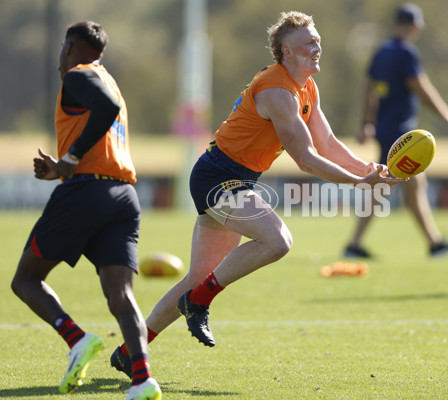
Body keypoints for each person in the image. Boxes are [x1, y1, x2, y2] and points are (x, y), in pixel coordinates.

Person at [109, 11, 403, 376]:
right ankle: (198, 303)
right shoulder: (277, 91)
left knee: (197, 277)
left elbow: (326, 143)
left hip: (235, 178)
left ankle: (128, 352)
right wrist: (359, 183)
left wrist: (369, 169)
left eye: (317, 41)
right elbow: (307, 159)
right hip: (217, 176)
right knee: (278, 240)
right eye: (308, 43)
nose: (317, 48)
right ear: (286, 51)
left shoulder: (306, 87)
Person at [10, 21, 161, 399]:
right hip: (123, 195)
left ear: (71, 47)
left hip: (86, 193)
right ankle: (143, 381)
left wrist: (70, 161)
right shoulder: (109, 80)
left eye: (63, 48)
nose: (60, 58)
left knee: (25, 279)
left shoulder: (78, 75)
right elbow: (105, 117)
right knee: (120, 295)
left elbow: (103, 111)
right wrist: (62, 167)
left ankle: (76, 339)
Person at [343, 3, 448, 259]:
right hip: (401, 134)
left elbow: (369, 87)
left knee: (393, 187)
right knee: (401, 185)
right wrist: (447, 115)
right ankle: (434, 244)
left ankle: (357, 244)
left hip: (385, 129)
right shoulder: (406, 53)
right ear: (415, 27)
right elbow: (420, 87)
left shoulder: (381, 52)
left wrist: (366, 122)